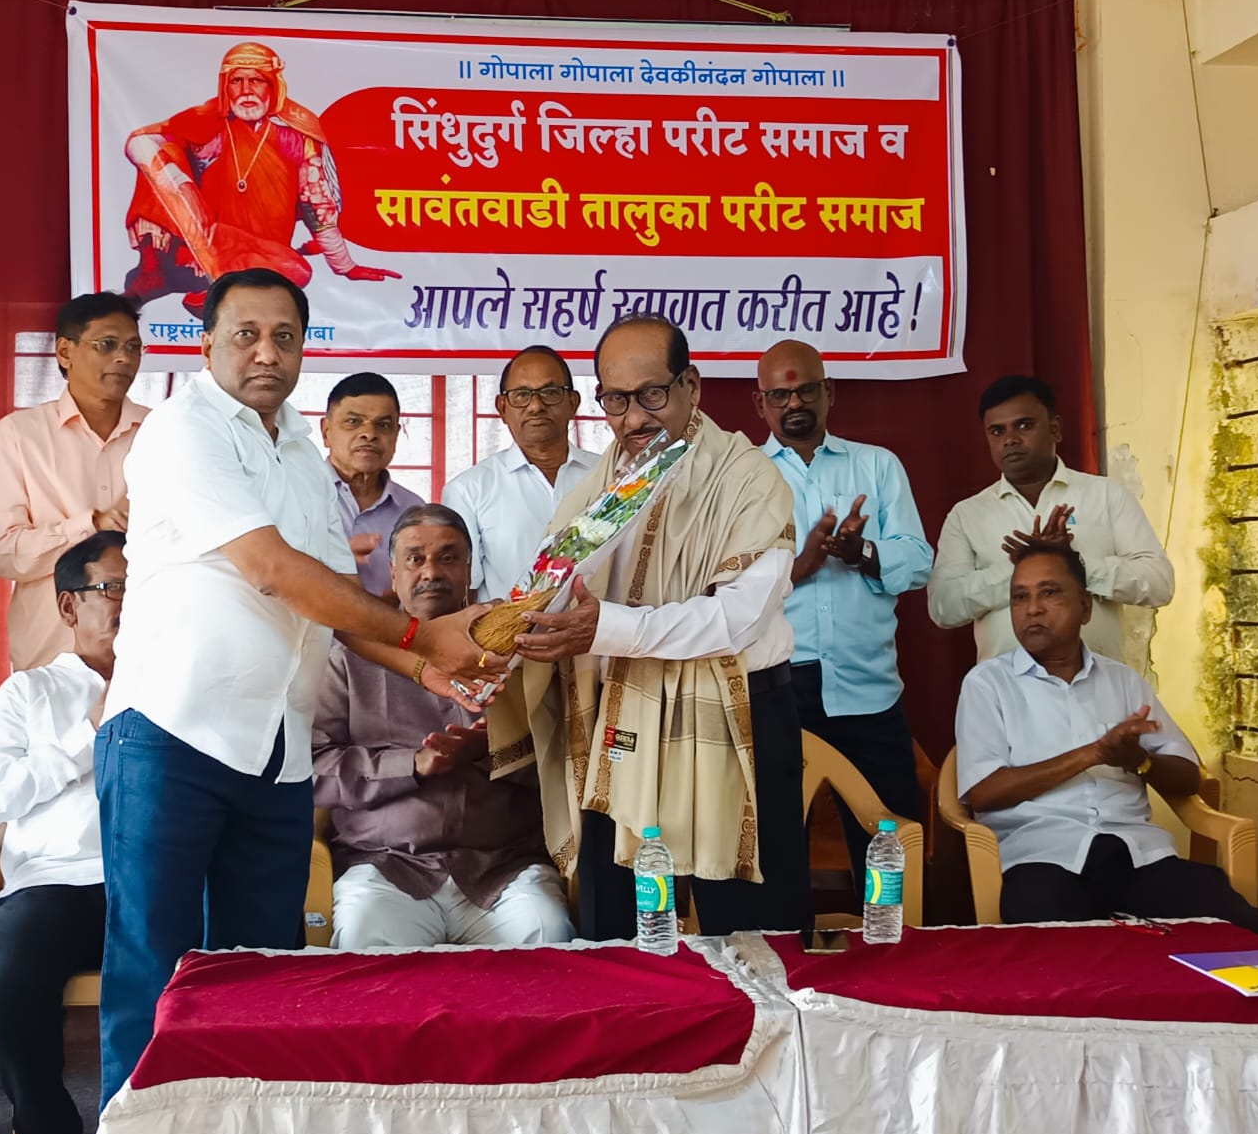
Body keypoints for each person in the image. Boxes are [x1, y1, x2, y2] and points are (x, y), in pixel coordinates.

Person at [94, 267, 500, 1106]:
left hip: (277, 750)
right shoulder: (181, 431)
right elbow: (274, 571)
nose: (266, 353)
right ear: (206, 342)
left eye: (284, 337)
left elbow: (337, 601)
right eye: (245, 334)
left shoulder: (304, 458)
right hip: (172, 734)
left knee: (261, 973)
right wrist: (426, 636)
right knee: (155, 967)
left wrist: (426, 669)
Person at [488, 313, 809, 940]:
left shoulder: (748, 479)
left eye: (651, 394)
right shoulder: (599, 488)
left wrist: (604, 630)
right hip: (621, 715)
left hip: (736, 714)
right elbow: (554, 586)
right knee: (616, 931)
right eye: (615, 400)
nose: (633, 418)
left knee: (751, 934)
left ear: (691, 385)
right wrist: (504, 644)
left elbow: (737, 619)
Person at [956, 541, 1258, 936]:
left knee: (1245, 930)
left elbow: (1188, 777)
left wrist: (1139, 760)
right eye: (1019, 597)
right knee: (1066, 951)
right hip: (1044, 859)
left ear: (1085, 607)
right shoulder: (988, 684)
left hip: (1139, 857)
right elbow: (983, 792)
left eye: (1049, 593)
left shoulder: (1123, 681)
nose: (1032, 609)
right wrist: (1094, 753)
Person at [0, 532, 123, 1134]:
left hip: (157, 877)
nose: (131, 603)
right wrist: (86, 738)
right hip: (55, 884)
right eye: (114, 589)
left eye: (144, 588)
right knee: (7, 977)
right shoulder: (30, 693)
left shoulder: (180, 684)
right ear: (69, 605)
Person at [314, 505, 574, 948]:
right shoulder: (352, 658)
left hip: (503, 869)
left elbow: (562, 763)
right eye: (415, 558)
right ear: (393, 572)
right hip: (386, 867)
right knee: (366, 938)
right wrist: (412, 764)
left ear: (469, 570)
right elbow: (316, 769)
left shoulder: (518, 651)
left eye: (448, 558)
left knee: (547, 933)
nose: (431, 572)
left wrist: (494, 753)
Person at [755, 340, 932, 886]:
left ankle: (891, 938)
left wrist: (864, 552)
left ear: (829, 392)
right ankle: (786, 939)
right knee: (775, 849)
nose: (794, 403)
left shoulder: (877, 465)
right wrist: (801, 566)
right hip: (778, 686)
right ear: (760, 403)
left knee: (889, 849)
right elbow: (721, 589)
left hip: (867, 685)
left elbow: (919, 561)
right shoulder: (743, 477)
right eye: (779, 395)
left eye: (806, 389)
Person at [122, 40, 396, 314]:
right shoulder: (209, 122)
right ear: (225, 86)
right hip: (203, 239)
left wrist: (345, 266)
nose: (246, 91)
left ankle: (218, 286)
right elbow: (141, 142)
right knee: (162, 156)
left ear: (273, 86)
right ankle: (154, 269)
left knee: (297, 270)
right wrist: (178, 184)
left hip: (260, 253)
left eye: (256, 81)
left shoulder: (295, 135)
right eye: (237, 81)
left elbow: (317, 205)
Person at [929, 374, 1173, 666]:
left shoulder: (1106, 495)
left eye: (1024, 425)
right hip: (1006, 687)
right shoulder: (967, 515)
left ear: (1055, 429)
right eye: (997, 431)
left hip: (1097, 684)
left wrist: (1076, 566)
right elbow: (943, 607)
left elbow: (1159, 584)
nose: (1010, 439)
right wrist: (1019, 570)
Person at [0, 293, 149, 671]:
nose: (124, 358)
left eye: (133, 347)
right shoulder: (16, 436)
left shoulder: (162, 433)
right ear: (65, 352)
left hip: (150, 653)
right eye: (107, 344)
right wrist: (91, 525)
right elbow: (0, 552)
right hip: (52, 656)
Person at [442, 345, 600, 602]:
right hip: (510, 628)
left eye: (550, 393)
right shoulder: (468, 491)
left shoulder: (610, 476)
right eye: (522, 395)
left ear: (573, 403)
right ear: (502, 408)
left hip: (603, 628)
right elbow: (462, 593)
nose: (536, 406)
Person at [320, 372, 424, 597]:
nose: (369, 434)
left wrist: (404, 605)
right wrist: (334, 557)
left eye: (383, 425)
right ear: (326, 432)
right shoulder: (295, 494)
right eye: (353, 422)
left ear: (397, 434)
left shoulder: (414, 510)